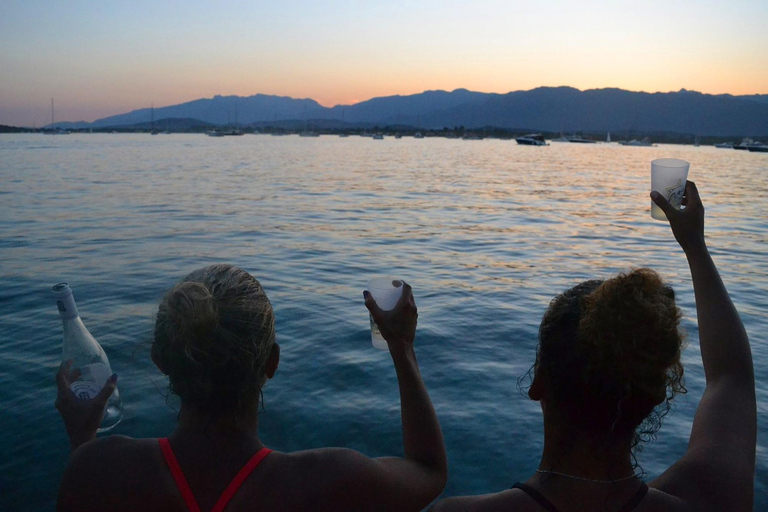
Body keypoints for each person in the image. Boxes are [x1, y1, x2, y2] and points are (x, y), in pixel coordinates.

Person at [432, 182, 756, 512]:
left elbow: (732, 377)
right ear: (654, 394)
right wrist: (694, 245)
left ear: (538, 382)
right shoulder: (711, 500)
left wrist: (402, 350)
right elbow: (731, 377)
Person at [56, 266, 447, 511]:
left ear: (161, 361)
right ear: (271, 364)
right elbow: (428, 471)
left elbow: (86, 484)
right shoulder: (330, 481)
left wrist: (82, 443)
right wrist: (402, 348)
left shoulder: (97, 471)